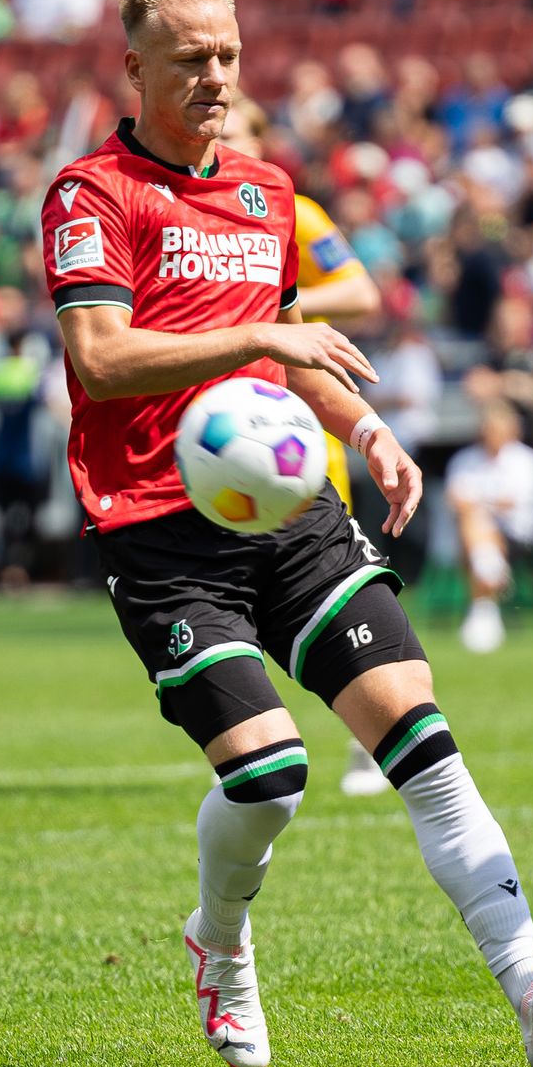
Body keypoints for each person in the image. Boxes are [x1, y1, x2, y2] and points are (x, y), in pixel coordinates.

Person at [41, 0, 533, 1067]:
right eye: (188, 60)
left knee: (423, 741)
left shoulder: (266, 193)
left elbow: (300, 351)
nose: (214, 76)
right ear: (134, 69)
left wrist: (367, 431)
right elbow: (101, 359)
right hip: (158, 529)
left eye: (227, 55)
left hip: (292, 514)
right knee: (270, 776)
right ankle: (218, 942)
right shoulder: (90, 192)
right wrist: (266, 344)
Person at [222, 98, 393, 797]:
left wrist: (282, 320)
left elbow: (361, 290)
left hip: (297, 430)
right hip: (231, 434)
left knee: (333, 581)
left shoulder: (296, 212)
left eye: (236, 133)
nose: (219, 141)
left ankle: (369, 737)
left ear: (262, 143)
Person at [444, 401, 533, 654]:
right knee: (474, 525)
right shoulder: (464, 459)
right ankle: (492, 578)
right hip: (474, 535)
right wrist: (482, 505)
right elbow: (454, 499)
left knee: (474, 522)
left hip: (517, 536)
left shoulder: (528, 461)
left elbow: (511, 502)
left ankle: (483, 604)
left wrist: (478, 502)